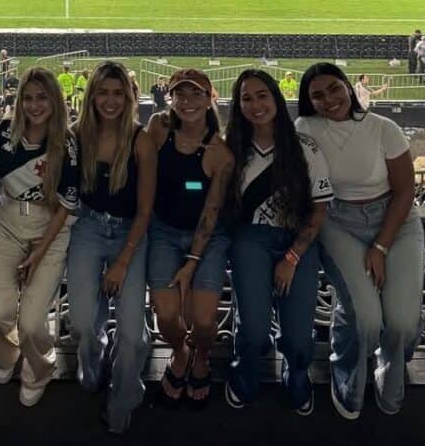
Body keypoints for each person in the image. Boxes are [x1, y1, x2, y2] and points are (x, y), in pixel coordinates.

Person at [296, 63, 425, 419]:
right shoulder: (305, 128)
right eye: (317, 95)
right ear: (309, 101)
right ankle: (347, 370)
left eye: (334, 89)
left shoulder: (384, 128)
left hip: (396, 222)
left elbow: (403, 192)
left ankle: (392, 362)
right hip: (338, 221)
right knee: (366, 319)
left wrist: (381, 246)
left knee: (401, 322)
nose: (328, 100)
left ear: (348, 87)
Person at [225, 69, 332, 414]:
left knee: (301, 337)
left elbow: (319, 211)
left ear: (276, 98)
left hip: (297, 242)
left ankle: (296, 371)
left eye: (262, 96)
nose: (255, 105)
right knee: (254, 331)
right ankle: (246, 370)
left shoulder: (304, 147)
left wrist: (292, 256)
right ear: (238, 105)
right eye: (246, 98)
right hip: (250, 241)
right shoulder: (234, 150)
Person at [66, 61, 157, 434]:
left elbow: (145, 209)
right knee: (83, 323)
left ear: (130, 97)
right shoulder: (76, 135)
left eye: (118, 93)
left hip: (129, 232)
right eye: (103, 92)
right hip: (87, 227)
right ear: (91, 96)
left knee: (132, 334)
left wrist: (122, 261)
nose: (110, 101)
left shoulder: (141, 140)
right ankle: (93, 360)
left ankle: (123, 394)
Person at [0, 67, 79, 406]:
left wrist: (39, 252)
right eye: (28, 97)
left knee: (33, 321)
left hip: (49, 236)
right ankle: (5, 354)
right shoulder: (5, 133)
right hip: (6, 228)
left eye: (42, 98)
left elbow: (66, 205)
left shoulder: (67, 143)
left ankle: (39, 369)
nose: (34, 105)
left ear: (55, 101)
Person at [146, 69, 233, 408]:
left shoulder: (220, 151)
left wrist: (192, 261)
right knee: (167, 316)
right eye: (181, 94)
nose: (188, 101)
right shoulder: (159, 128)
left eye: (196, 94)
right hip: (163, 230)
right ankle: (181, 352)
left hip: (208, 238)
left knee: (205, 320)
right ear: (171, 98)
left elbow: (212, 211)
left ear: (210, 98)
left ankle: (201, 356)